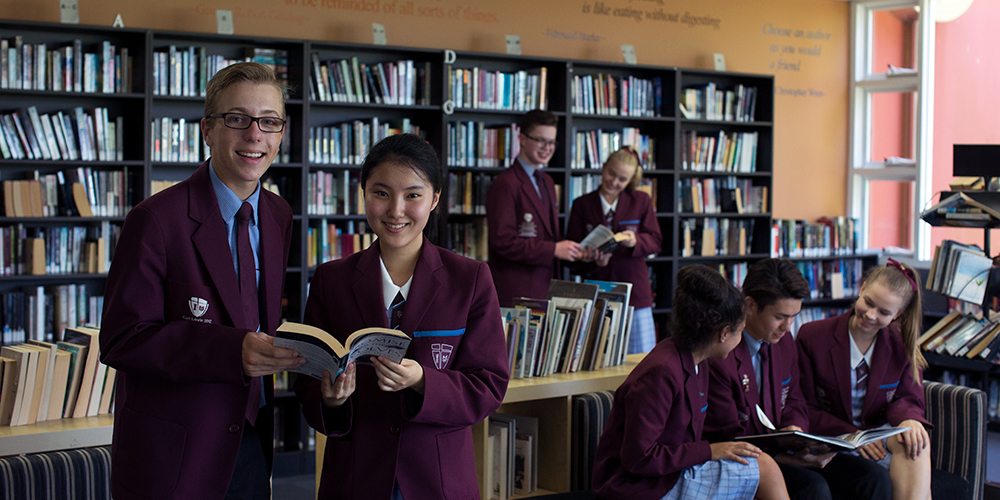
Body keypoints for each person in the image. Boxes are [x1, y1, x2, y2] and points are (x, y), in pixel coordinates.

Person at [99, 62, 304, 500]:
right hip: (176, 456)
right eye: (237, 119)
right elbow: (122, 339)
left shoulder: (278, 215)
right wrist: (233, 351)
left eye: (269, 122)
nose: (255, 136)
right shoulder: (154, 220)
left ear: (281, 133)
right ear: (207, 130)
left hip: (250, 441)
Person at [294, 134, 510, 500]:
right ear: (363, 194)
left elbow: (488, 386)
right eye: (381, 193)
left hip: (437, 480)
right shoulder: (332, 279)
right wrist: (330, 399)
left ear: (435, 199)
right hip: (355, 477)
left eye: (413, 195)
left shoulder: (470, 278)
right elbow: (305, 385)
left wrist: (424, 379)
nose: (396, 210)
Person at [592, 264, 790, 500]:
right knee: (765, 470)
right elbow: (639, 458)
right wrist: (709, 451)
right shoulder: (661, 372)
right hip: (638, 485)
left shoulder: (697, 360)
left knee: (760, 466)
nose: (741, 340)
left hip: (668, 473)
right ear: (723, 333)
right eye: (740, 331)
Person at [705, 258, 891, 500]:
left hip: (785, 449)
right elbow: (728, 436)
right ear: (749, 305)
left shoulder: (783, 342)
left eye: (794, 316)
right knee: (812, 487)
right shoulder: (722, 352)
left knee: (871, 477)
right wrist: (785, 457)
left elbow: (794, 399)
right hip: (747, 458)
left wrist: (795, 429)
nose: (787, 326)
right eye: (780, 316)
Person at [797, 258, 932, 500]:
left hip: (879, 434)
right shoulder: (812, 336)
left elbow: (909, 398)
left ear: (897, 314)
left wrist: (910, 419)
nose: (870, 315)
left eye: (884, 312)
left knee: (915, 440)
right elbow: (805, 406)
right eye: (868, 302)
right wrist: (853, 436)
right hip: (835, 437)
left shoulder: (902, 343)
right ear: (862, 288)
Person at [565, 146, 662, 353]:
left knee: (640, 357)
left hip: (635, 291)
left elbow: (655, 240)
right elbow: (571, 254)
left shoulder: (641, 201)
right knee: (598, 355)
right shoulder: (582, 204)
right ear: (603, 167)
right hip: (598, 290)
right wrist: (590, 260)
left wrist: (635, 240)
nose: (614, 182)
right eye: (611, 173)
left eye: (622, 179)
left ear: (630, 181)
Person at [486, 109, 581, 306]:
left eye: (552, 142)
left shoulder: (546, 181)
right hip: (517, 291)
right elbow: (503, 241)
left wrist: (573, 250)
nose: (547, 148)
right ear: (522, 138)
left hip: (546, 287)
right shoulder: (505, 183)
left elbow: (548, 236)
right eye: (541, 140)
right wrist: (554, 249)